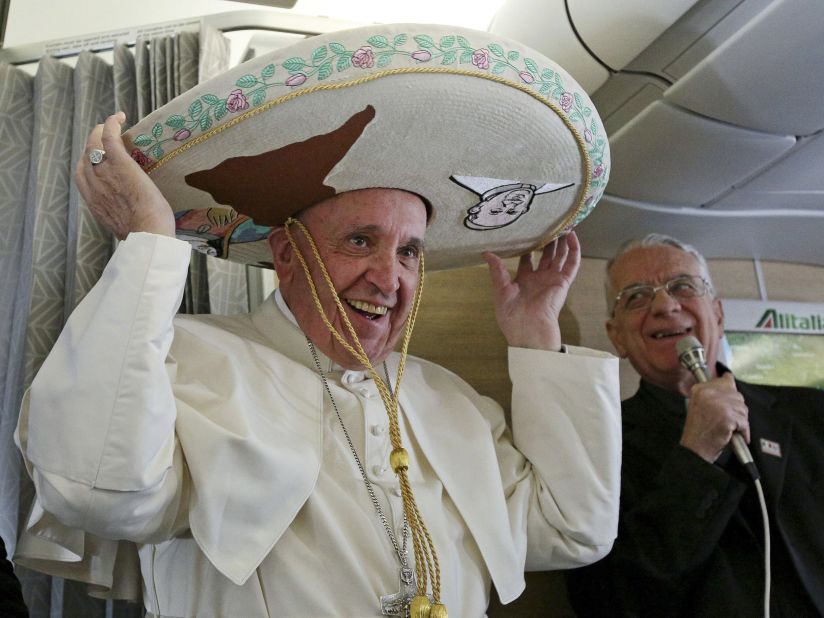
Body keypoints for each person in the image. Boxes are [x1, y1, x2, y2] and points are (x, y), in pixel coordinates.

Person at [14, 24, 620, 617]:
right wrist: (151, 242)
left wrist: (536, 337)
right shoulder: (184, 360)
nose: (390, 278)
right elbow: (94, 490)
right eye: (360, 241)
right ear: (286, 254)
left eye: (409, 251)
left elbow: (571, 532)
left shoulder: (454, 402)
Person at [567, 233, 824, 617]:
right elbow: (612, 602)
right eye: (636, 296)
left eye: (682, 286)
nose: (664, 305)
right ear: (618, 338)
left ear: (718, 314)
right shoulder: (597, 450)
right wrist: (695, 457)